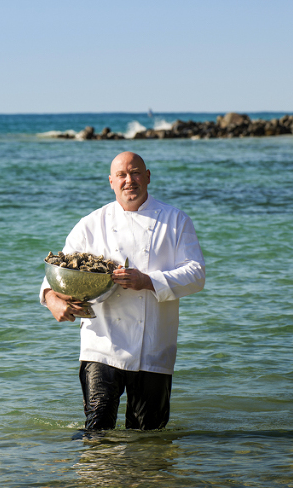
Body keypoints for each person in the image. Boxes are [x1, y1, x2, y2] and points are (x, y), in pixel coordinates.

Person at [40, 151, 205, 431]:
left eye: (136, 172)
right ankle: (98, 476)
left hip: (153, 347)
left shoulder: (176, 221)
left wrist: (148, 281)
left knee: (148, 436)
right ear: (111, 182)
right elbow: (59, 271)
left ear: (148, 176)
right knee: (97, 429)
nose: (130, 180)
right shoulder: (92, 224)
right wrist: (52, 299)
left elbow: (196, 274)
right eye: (122, 175)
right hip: (101, 343)